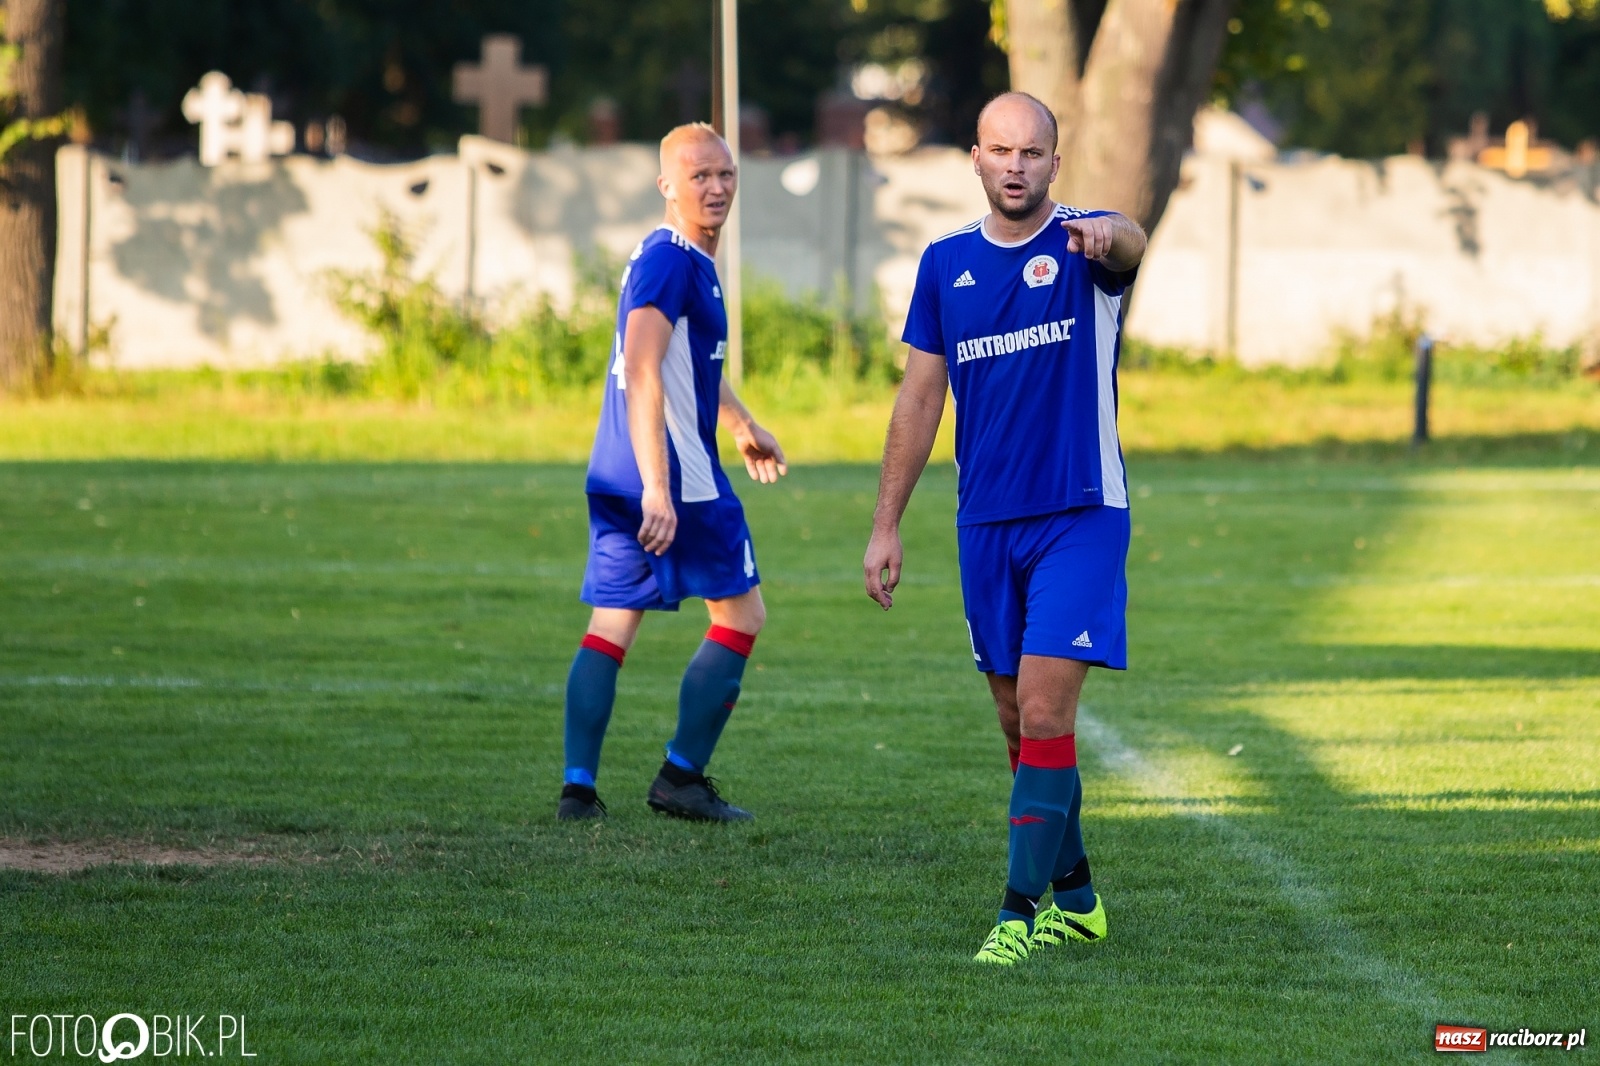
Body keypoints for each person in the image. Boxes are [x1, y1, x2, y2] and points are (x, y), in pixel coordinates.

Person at [862, 92, 1148, 964]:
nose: (1016, 165)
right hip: (985, 524)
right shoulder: (945, 265)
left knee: (1043, 705)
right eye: (1000, 150)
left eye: (1033, 152)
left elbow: (1130, 238)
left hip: (1080, 514)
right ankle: (1081, 896)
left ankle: (1017, 916)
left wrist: (1112, 237)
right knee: (1019, 730)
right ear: (976, 160)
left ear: (1054, 165)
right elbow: (919, 398)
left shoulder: (1083, 247)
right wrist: (886, 525)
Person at [559, 122, 787, 823]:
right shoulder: (672, 260)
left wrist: (741, 423)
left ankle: (578, 791)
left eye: (724, 174)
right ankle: (681, 778)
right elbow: (645, 365)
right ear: (667, 185)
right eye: (699, 176)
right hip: (675, 478)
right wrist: (661, 486)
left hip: (621, 470)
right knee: (742, 615)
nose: (716, 187)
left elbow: (688, 368)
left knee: (612, 622)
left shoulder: (674, 256)